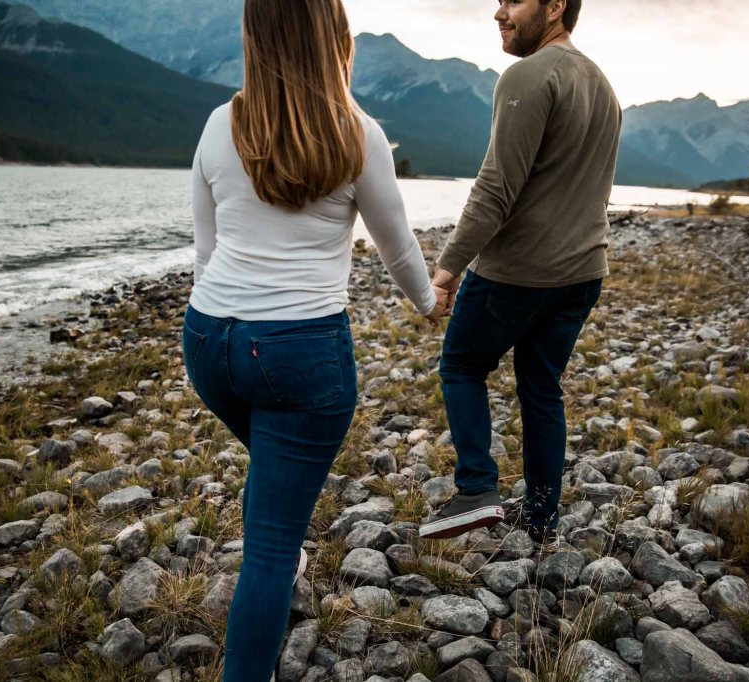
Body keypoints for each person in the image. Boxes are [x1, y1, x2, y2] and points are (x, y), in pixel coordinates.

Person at [181, 0, 443, 678]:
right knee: (269, 547)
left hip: (210, 341)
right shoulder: (357, 133)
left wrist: (228, 320)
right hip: (301, 353)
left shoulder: (218, 125)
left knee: (273, 481)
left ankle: (278, 528)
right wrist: (427, 301)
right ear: (333, 38)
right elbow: (397, 245)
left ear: (255, 37)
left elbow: (205, 254)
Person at [418, 0, 621, 544]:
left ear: (555, 6)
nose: (499, 12)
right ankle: (540, 522)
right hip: (582, 272)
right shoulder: (602, 85)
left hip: (518, 273)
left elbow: (495, 188)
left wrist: (446, 271)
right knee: (541, 390)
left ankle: (478, 487)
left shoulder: (528, 75)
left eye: (513, 1)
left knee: (461, 364)